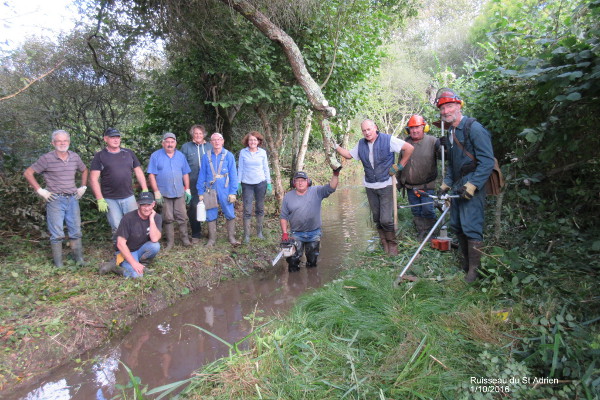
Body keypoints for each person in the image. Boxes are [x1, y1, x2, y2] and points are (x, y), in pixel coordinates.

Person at [436, 88, 494, 282]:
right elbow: (453, 165)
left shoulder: (474, 128)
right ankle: (466, 264)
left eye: (450, 106)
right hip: (458, 186)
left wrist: (473, 185)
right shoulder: (451, 132)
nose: (446, 111)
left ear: (459, 106)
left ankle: (474, 272)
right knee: (457, 225)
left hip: (473, 184)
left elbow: (487, 161)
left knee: (471, 226)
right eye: (442, 108)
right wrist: (446, 184)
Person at [334, 119, 414, 256]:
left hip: (386, 184)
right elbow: (348, 155)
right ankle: (384, 244)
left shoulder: (388, 140)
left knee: (386, 219)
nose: (367, 133)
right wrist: (335, 146)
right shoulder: (361, 144)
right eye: (364, 130)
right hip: (370, 185)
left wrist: (400, 165)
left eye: (369, 129)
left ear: (375, 128)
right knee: (377, 218)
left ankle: (392, 245)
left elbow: (409, 148)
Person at [24, 129, 88, 267]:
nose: (62, 143)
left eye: (65, 140)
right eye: (59, 141)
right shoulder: (46, 158)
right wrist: (41, 190)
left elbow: (84, 170)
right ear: (53, 143)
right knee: (57, 233)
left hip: (72, 198)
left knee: (76, 231)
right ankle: (59, 264)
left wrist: (83, 187)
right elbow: (28, 173)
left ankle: (79, 260)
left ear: (69, 142)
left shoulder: (75, 157)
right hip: (55, 200)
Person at [89, 128, 148, 240]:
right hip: (110, 199)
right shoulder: (100, 156)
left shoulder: (128, 153)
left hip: (129, 196)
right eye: (112, 137)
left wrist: (145, 189)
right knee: (117, 227)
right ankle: (120, 254)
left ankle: (135, 251)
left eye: (117, 137)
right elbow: (93, 178)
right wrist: (100, 199)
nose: (116, 140)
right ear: (105, 139)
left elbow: (139, 171)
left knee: (134, 224)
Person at [280, 168, 340, 272]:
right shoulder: (288, 197)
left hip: (314, 233)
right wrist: (285, 233)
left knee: (312, 263)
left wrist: (335, 174)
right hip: (296, 234)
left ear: (308, 181)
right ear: (293, 183)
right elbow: (284, 217)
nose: (300, 183)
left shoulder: (317, 191)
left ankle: (312, 283)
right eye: (297, 180)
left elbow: (332, 187)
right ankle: (295, 284)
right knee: (293, 262)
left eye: (303, 180)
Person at [397, 115, 443, 240]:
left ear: (424, 127)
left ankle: (432, 233)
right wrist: (398, 180)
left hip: (426, 186)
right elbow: (401, 163)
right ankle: (421, 233)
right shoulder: (405, 144)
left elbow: (444, 156)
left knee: (428, 210)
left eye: (417, 127)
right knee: (416, 211)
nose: (414, 131)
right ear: (408, 130)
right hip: (410, 186)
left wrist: (445, 146)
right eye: (411, 128)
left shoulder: (433, 141)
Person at [147, 132, 192, 251]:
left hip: (179, 192)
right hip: (164, 193)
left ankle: (185, 239)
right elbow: (151, 175)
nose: (170, 144)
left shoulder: (181, 156)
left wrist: (187, 189)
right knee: (167, 218)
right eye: (167, 142)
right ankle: (170, 242)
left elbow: (185, 173)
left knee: (182, 216)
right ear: (163, 143)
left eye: (172, 142)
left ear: (175, 143)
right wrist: (156, 191)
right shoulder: (155, 156)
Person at [102, 191, 163, 278]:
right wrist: (133, 263)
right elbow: (120, 244)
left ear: (153, 204)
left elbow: (154, 239)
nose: (146, 208)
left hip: (140, 249)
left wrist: (151, 219)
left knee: (155, 246)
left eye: (149, 205)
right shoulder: (128, 218)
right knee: (137, 275)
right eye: (143, 205)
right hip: (127, 251)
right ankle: (115, 268)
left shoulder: (157, 217)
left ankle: (141, 264)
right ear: (138, 204)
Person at [197, 132, 239, 246]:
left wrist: (233, 192)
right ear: (210, 142)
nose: (216, 142)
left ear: (222, 141)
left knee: (229, 212)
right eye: (214, 140)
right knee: (210, 212)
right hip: (210, 188)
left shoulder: (228, 155)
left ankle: (231, 237)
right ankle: (212, 239)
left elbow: (234, 175)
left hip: (225, 188)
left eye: (218, 139)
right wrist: (200, 191)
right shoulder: (206, 156)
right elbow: (202, 174)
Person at [237, 131, 272, 243]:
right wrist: (238, 182)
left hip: (260, 183)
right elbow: (240, 168)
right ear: (247, 141)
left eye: (255, 140)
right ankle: (246, 235)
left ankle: (259, 232)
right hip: (247, 183)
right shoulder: (243, 152)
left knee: (260, 208)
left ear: (258, 141)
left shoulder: (262, 152)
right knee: (247, 209)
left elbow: (266, 168)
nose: (252, 142)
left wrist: (269, 182)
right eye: (250, 140)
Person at [181, 124, 212, 244]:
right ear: (192, 135)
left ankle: (211, 232)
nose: (198, 135)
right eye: (196, 133)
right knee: (194, 207)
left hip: (209, 181)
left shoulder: (210, 146)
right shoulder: (186, 147)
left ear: (204, 134)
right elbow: (182, 166)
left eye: (200, 133)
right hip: (192, 181)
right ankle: (196, 233)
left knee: (210, 205)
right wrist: (185, 185)